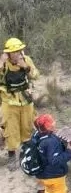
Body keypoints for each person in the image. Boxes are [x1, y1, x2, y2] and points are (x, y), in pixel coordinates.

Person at [1, 38, 38, 171]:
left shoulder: (26, 60)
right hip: (9, 102)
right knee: (11, 130)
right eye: (14, 51)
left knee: (26, 127)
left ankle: (26, 154)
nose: (18, 53)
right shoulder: (3, 64)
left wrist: (25, 67)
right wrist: (1, 63)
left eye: (19, 50)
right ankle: (12, 156)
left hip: (26, 100)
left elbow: (35, 75)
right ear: (8, 53)